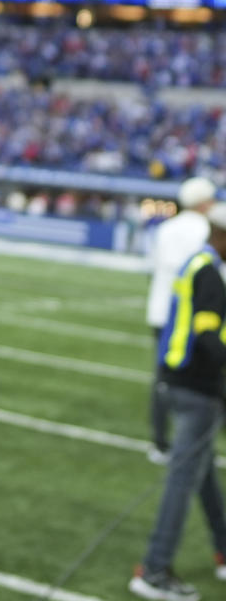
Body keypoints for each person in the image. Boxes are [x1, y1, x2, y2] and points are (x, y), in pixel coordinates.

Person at [129, 201, 226, 601]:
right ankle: (153, 569)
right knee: (182, 480)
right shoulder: (209, 272)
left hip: (181, 382)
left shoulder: (199, 262)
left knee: (202, 477)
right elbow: (207, 336)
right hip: (196, 386)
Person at [145, 176, 217, 465]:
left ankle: (160, 441)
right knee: (196, 384)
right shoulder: (205, 229)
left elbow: (151, 267)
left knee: (162, 380)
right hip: (187, 316)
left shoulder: (165, 227)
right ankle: (195, 444)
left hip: (159, 311)